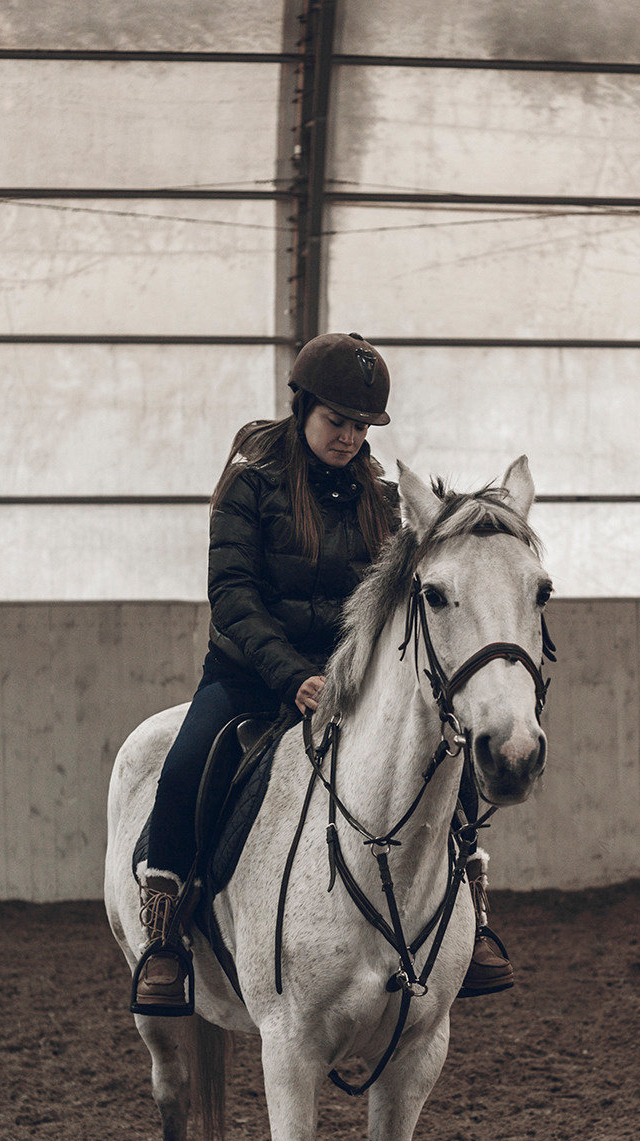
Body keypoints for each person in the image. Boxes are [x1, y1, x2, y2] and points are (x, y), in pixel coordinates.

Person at [135, 332, 513, 1010]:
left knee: (442, 753)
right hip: (250, 674)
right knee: (189, 761)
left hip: (352, 679)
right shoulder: (249, 485)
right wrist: (291, 677)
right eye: (337, 421)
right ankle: (163, 939)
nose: (349, 437)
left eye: (361, 426)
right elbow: (234, 598)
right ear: (303, 407)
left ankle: (476, 914)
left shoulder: (386, 498)